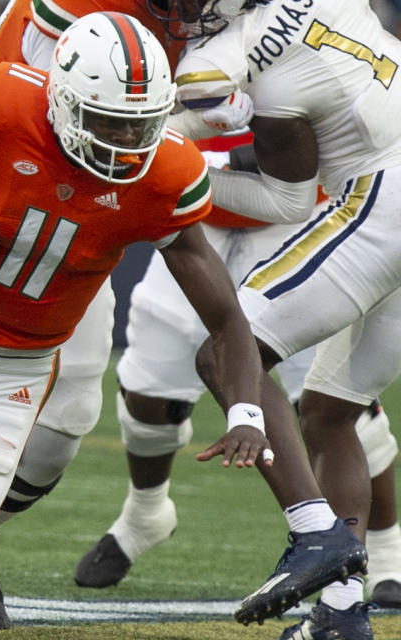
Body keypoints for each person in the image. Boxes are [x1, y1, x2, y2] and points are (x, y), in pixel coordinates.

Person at [0, 12, 363, 624]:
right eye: (110, 123)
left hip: (11, 380)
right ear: (63, 98)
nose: (125, 145)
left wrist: (244, 413)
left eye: (140, 127)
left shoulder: (165, 174)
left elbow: (227, 319)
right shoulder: (3, 104)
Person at [155, 0, 401, 636]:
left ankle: (314, 532)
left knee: (227, 353)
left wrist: (188, 146)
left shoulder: (237, 51)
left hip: (382, 199)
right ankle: (343, 616)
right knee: (329, 410)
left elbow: (281, 192)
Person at [75, 132, 401, 609]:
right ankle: (145, 514)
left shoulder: (298, 58)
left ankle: (389, 552)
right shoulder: (163, 57)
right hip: (194, 220)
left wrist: (216, 155)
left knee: (337, 400)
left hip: (300, 219)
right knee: (148, 396)